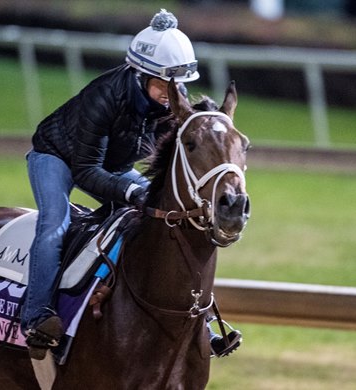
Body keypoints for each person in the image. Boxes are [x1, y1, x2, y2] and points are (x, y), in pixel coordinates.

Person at [21, 9, 241, 360]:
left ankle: (202, 325)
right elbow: (86, 171)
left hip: (112, 165)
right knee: (54, 225)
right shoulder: (104, 95)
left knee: (167, 218)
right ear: (140, 76)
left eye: (176, 86)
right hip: (58, 158)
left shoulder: (170, 98)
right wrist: (131, 191)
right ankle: (36, 317)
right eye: (162, 86)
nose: (171, 95)